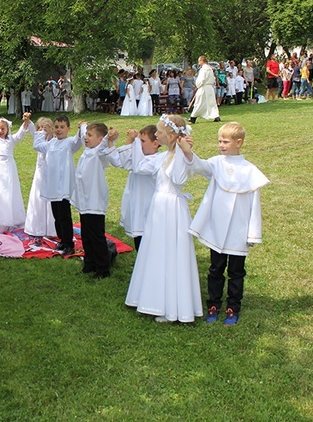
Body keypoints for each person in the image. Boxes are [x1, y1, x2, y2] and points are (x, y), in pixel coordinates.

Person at [182, 122, 270, 325]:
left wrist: (252, 233)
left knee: (236, 272)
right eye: (219, 141)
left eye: (225, 141)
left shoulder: (250, 171)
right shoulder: (217, 163)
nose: (221, 144)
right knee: (215, 268)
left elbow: (254, 205)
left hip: (238, 230)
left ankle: (233, 307)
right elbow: (199, 166)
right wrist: (188, 151)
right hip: (217, 227)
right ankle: (213, 304)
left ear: (238, 143)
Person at [124, 114, 203, 323]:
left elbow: (178, 178)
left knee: (170, 252)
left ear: (169, 135)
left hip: (172, 208)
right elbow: (140, 167)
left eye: (159, 132)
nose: (156, 135)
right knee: (157, 251)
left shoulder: (179, 156)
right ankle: (154, 298)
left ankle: (171, 306)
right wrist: (133, 145)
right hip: (159, 206)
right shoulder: (162, 156)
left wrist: (184, 153)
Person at [71, 123, 119, 278]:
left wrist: (110, 136)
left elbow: (105, 142)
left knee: (96, 236)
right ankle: (89, 263)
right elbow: (85, 130)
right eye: (86, 135)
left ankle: (102, 268)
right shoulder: (87, 151)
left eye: (90, 136)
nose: (86, 138)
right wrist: (84, 126)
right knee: (86, 234)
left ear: (100, 139)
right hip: (84, 202)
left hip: (94, 201)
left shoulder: (99, 153)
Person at [33, 115, 84, 255]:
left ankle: (69, 243)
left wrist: (81, 129)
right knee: (56, 215)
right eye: (56, 127)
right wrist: (43, 131)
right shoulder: (51, 143)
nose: (59, 130)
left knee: (64, 216)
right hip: (52, 185)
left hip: (63, 187)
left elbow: (78, 142)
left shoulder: (69, 143)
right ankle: (62, 239)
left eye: (62, 127)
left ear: (68, 129)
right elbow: (37, 145)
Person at [110, 125, 161, 251]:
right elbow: (119, 161)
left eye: (143, 141)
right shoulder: (138, 157)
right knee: (139, 239)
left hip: (149, 207)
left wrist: (135, 142)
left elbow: (139, 168)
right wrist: (130, 140)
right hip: (137, 205)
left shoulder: (158, 160)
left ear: (155, 144)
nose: (139, 145)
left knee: (150, 242)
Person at [24, 117, 57, 241]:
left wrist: (49, 133)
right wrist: (29, 122)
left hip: (50, 173)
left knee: (49, 200)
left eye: (45, 127)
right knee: (38, 198)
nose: (43, 130)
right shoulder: (38, 140)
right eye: (41, 128)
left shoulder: (53, 141)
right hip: (39, 173)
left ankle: (51, 228)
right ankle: (37, 226)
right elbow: (33, 132)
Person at [189, 56, 220, 123]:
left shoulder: (204, 69)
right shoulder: (210, 68)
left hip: (204, 88)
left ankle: (193, 117)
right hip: (209, 88)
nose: (199, 63)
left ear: (202, 61)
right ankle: (216, 116)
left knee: (199, 102)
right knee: (211, 103)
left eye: (199, 61)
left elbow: (201, 79)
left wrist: (197, 85)